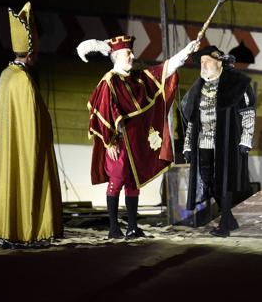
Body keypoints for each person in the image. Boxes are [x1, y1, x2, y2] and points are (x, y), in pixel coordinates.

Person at [77, 35, 197, 239]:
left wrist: (186, 51)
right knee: (117, 181)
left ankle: (132, 227)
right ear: (116, 56)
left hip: (135, 143)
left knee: (134, 183)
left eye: (131, 52)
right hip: (119, 144)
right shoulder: (109, 81)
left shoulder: (138, 78)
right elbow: (103, 111)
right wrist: (109, 142)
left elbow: (164, 69)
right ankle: (114, 228)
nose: (132, 56)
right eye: (128, 53)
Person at [0, 2, 63, 248]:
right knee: (26, 178)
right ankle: (27, 232)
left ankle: (9, 230)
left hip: (7, 148)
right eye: (35, 54)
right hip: (26, 149)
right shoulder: (23, 81)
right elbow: (32, 126)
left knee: (10, 179)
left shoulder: (5, 75)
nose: (36, 58)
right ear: (29, 55)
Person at [180, 46, 256, 237]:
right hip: (203, 144)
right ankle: (229, 219)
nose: (203, 65)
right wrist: (188, 145)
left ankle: (225, 224)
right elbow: (192, 119)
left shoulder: (235, 84)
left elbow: (247, 113)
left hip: (226, 142)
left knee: (224, 181)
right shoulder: (198, 88)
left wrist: (246, 139)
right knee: (209, 183)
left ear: (219, 62)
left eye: (207, 61)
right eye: (201, 62)